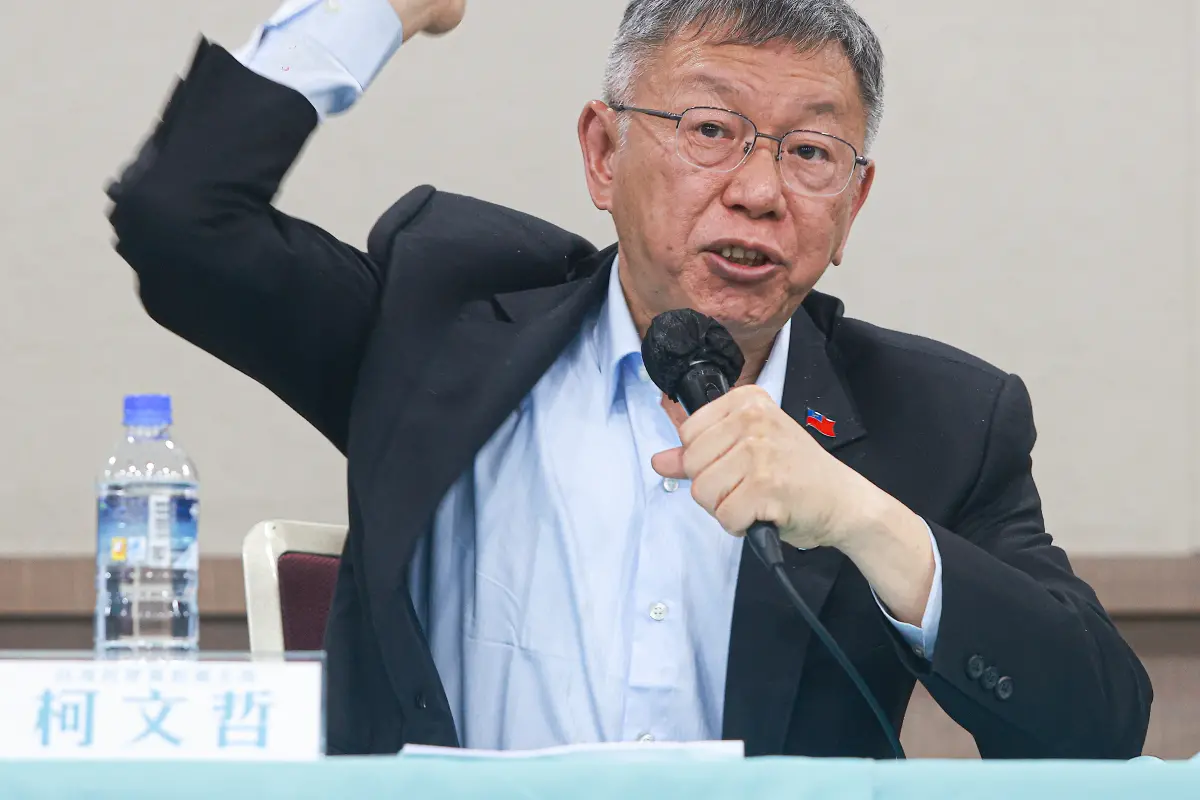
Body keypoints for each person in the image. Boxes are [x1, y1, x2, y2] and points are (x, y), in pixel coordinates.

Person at [106, 0, 1152, 758]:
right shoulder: (439, 330)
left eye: (810, 152)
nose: (759, 191)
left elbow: (1097, 726)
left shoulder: (940, 418)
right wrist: (375, 11)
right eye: (711, 131)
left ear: (852, 206)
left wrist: (866, 520)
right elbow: (180, 220)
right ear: (603, 155)